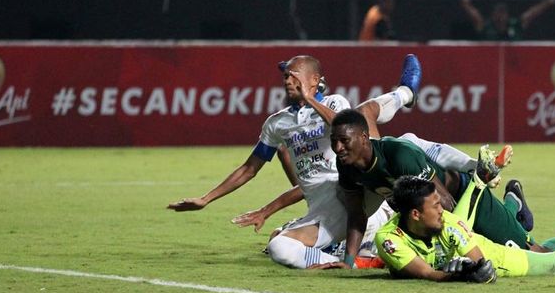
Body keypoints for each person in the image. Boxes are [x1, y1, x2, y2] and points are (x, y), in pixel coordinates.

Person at [168, 53, 421, 269]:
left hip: (357, 191)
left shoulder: (335, 103)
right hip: (325, 209)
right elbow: (249, 168)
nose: (287, 80)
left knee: (365, 114)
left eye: (294, 74)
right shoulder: (278, 123)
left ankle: (406, 94)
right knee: (277, 242)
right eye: (285, 76)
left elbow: (344, 126)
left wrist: (310, 99)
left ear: (315, 81)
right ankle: (345, 259)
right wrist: (205, 199)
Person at [325, 108, 548, 270]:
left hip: (466, 199)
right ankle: (514, 208)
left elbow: (445, 203)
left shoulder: (399, 156)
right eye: (334, 141)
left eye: (344, 140)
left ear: (364, 138)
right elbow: (356, 214)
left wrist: (449, 250)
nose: (337, 148)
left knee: (531, 253)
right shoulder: (346, 167)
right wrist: (348, 262)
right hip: (436, 216)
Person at [374, 176, 555, 282]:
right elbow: (427, 273)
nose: (441, 209)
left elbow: (482, 264)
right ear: (414, 214)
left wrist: (474, 272)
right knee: (538, 245)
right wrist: (456, 276)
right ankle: (513, 205)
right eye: (434, 206)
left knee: (552, 262)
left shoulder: (445, 222)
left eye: (440, 203)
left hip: (500, 258)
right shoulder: (389, 239)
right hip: (469, 238)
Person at [460, 0, 555, 41]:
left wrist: (548, 2)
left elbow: (531, 14)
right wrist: (466, 5)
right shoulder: (486, 27)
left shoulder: (515, 25)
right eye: (498, 14)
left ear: (507, 15)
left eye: (503, 14)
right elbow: (477, 18)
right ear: (493, 15)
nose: (500, 17)